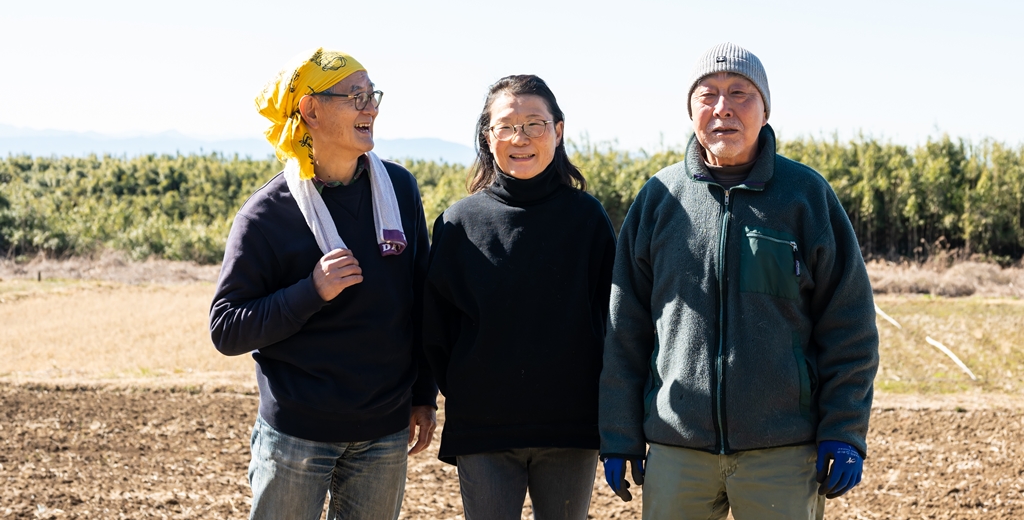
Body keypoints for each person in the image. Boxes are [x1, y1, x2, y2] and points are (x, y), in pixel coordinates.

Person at [598, 43, 879, 519]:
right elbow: (626, 329)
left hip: (783, 452)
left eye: (740, 93)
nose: (723, 107)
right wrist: (620, 434)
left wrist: (844, 430)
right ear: (690, 111)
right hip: (676, 448)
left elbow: (849, 324)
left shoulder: (806, 197)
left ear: (766, 108)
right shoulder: (659, 199)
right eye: (707, 95)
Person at [209, 48, 437, 520]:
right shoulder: (267, 214)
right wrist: (310, 290)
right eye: (355, 96)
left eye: (372, 95)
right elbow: (227, 329)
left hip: (384, 431)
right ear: (310, 109)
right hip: (296, 434)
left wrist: (422, 396)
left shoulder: (400, 189)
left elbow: (421, 299)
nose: (370, 107)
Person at [423, 75, 616, 520]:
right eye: (506, 126)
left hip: (571, 426)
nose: (520, 138)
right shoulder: (459, 223)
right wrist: (471, 391)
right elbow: (437, 328)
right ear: (487, 137)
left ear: (559, 131)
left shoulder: (586, 219)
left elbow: (612, 319)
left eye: (534, 124)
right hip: (484, 429)